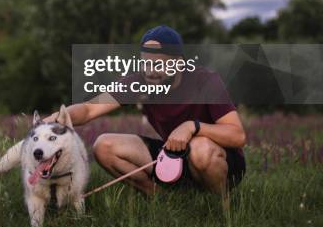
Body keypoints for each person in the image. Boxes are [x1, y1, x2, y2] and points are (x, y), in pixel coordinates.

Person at [45, 25, 247, 198]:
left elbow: (237, 136)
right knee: (103, 146)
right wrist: (57, 120)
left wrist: (192, 127)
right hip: (173, 156)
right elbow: (89, 109)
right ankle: (162, 199)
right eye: (145, 62)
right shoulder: (139, 81)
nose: (150, 71)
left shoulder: (206, 81)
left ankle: (220, 207)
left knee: (200, 148)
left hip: (222, 162)